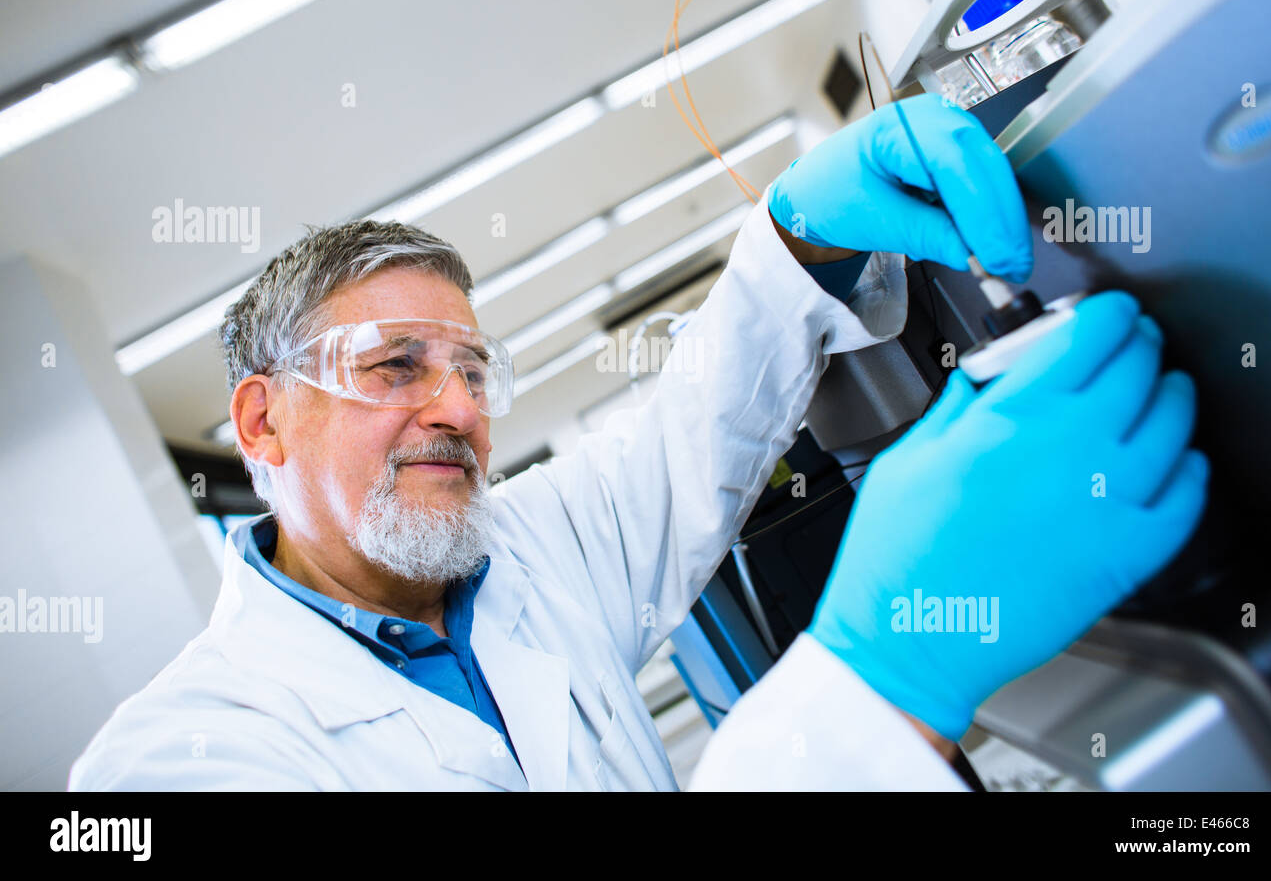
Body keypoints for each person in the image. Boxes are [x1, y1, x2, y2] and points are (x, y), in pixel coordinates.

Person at [68, 96, 1206, 790]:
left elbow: (689, 425)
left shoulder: (520, 549)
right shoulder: (180, 761)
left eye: (472, 369)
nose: (458, 407)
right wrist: (871, 687)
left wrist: (796, 237)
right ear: (262, 419)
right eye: (396, 365)